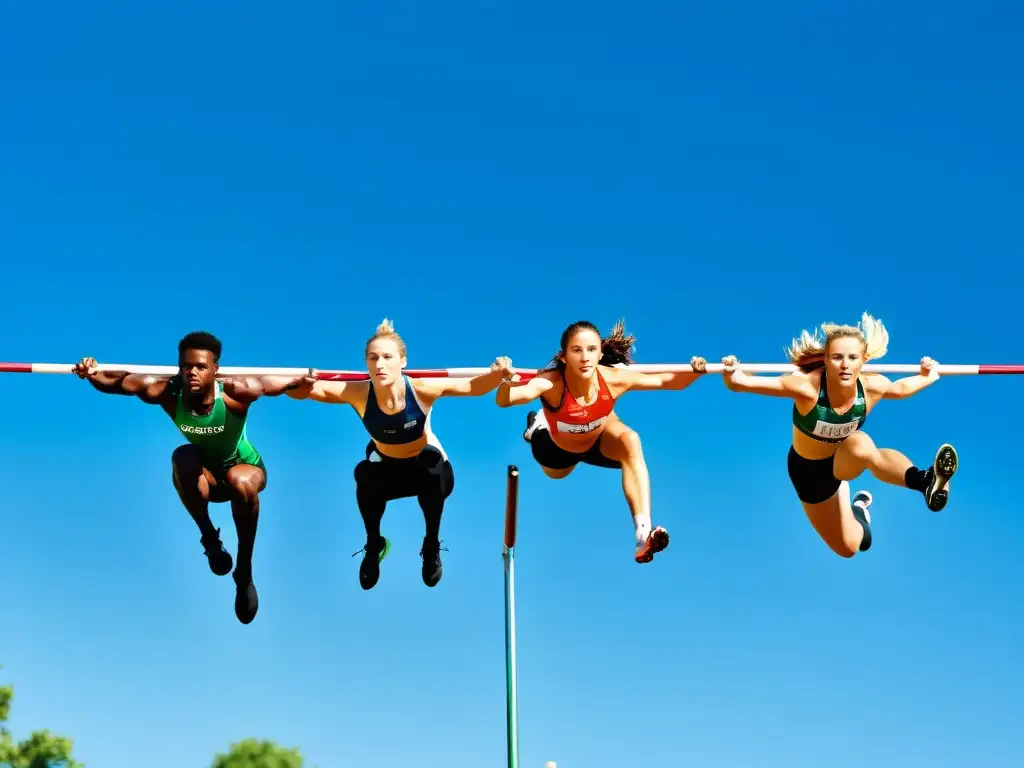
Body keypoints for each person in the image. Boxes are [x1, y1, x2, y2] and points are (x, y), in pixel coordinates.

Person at [72, 331, 314, 625]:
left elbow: (276, 384)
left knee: (241, 479)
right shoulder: (163, 391)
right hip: (207, 477)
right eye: (186, 366)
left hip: (244, 469)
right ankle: (210, 538)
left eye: (201, 366)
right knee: (183, 456)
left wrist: (302, 381)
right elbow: (119, 381)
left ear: (215, 370)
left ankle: (244, 570)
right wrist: (92, 372)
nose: (192, 373)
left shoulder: (236, 391)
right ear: (179, 367)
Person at [286, 318, 513, 590]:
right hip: (389, 474)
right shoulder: (357, 392)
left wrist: (498, 374)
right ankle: (373, 546)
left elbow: (473, 387)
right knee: (363, 472)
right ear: (366, 363)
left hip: (429, 473)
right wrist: (293, 385)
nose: (380, 364)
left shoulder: (421, 389)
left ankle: (431, 545)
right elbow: (311, 392)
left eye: (387, 357)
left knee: (431, 461)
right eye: (373, 358)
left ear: (402, 361)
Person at [720, 312, 957, 558]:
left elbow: (900, 389)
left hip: (843, 460)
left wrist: (929, 376)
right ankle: (859, 512)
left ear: (863, 360)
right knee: (850, 547)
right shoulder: (806, 387)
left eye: (852, 358)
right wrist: (731, 372)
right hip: (808, 473)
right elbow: (740, 384)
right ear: (826, 360)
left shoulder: (871, 387)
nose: (845, 365)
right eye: (837, 357)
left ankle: (925, 481)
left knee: (861, 444)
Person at [496, 319, 707, 564]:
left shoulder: (614, 378)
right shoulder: (550, 383)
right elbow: (505, 400)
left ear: (600, 353)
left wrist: (695, 371)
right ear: (564, 357)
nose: (585, 357)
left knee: (630, 439)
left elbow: (668, 381)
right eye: (577, 350)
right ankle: (536, 425)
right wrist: (504, 380)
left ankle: (642, 533)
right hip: (555, 450)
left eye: (591, 350)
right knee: (557, 473)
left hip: (596, 444)